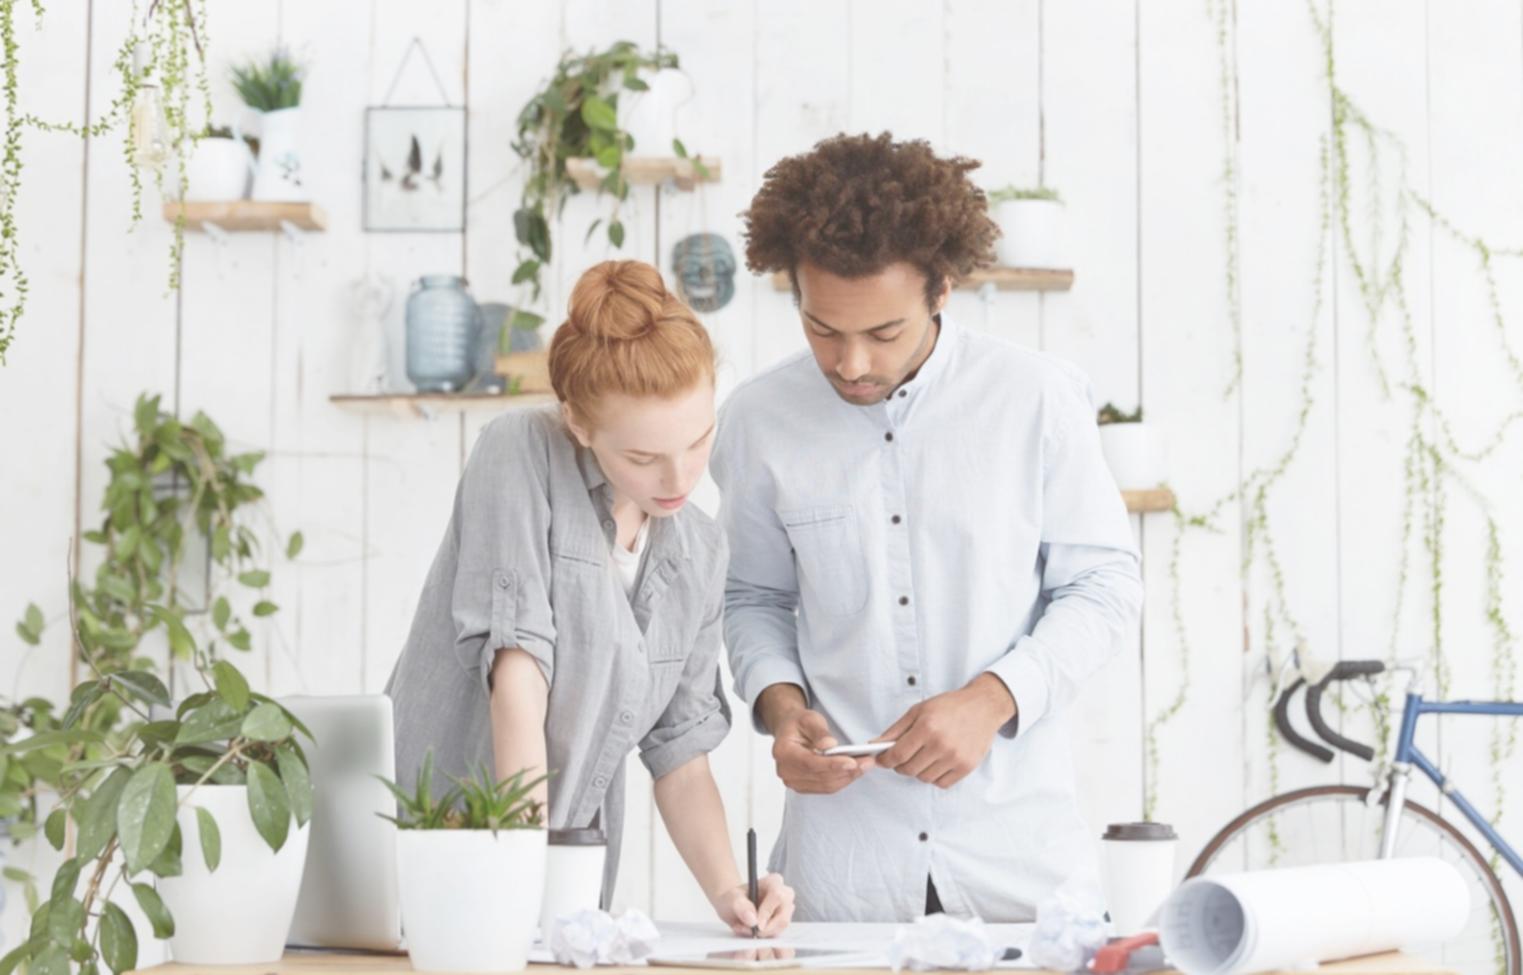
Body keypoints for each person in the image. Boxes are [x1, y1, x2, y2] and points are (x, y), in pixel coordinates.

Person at [711, 133, 1144, 922]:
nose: (848, 364)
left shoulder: (1035, 400)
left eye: (881, 333)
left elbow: (1105, 586)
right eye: (821, 329)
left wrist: (991, 698)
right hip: (840, 876)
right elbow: (750, 598)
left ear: (941, 289)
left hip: (1019, 864)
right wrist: (781, 708)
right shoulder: (757, 421)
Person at [387, 260, 795, 936]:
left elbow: (680, 751)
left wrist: (732, 892)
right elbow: (518, 675)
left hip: (565, 894)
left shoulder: (699, 550)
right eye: (642, 457)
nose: (678, 477)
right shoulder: (519, 451)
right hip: (442, 862)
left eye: (698, 440)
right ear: (577, 422)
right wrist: (521, 881)